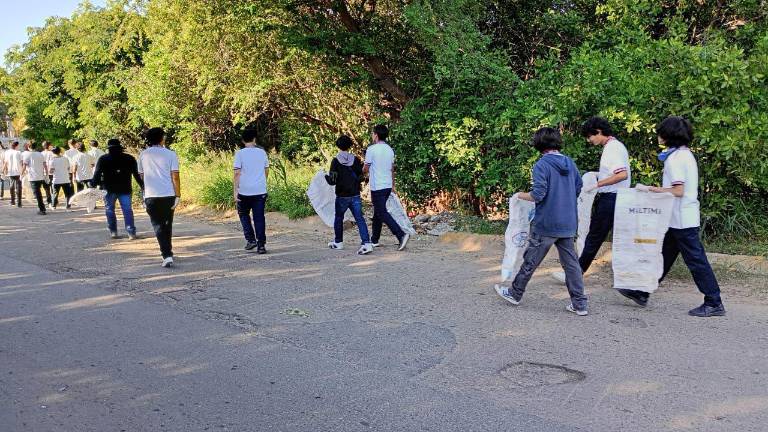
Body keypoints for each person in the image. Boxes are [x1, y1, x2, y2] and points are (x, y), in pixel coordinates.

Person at [618, 116, 725, 317]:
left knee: (696, 261)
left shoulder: (675, 159)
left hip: (682, 219)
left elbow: (678, 191)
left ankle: (713, 301)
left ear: (669, 135)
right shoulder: (684, 154)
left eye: (661, 133)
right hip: (677, 218)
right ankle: (642, 291)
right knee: (663, 256)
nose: (658, 136)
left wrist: (650, 189)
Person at [494, 127, 588, 316]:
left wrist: (519, 195)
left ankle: (515, 293)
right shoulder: (570, 163)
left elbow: (538, 194)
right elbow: (579, 187)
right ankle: (580, 304)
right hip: (568, 222)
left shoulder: (542, 165)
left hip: (546, 222)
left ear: (538, 144)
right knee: (571, 265)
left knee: (531, 259)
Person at [552, 117, 631, 283]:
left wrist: (597, 184)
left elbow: (622, 174)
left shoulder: (612, 148)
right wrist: (598, 176)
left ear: (599, 131)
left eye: (590, 136)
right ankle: (627, 277)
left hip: (612, 198)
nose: (589, 140)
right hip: (618, 197)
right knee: (612, 238)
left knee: (594, 238)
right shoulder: (615, 146)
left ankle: (574, 275)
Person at [138, 127, 180, 268]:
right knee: (167, 224)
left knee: (158, 225)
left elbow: (141, 176)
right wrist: (178, 194)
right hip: (168, 194)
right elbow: (175, 176)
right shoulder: (171, 154)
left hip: (151, 195)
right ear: (162, 138)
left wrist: (143, 194)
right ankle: (167, 252)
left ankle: (166, 254)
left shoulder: (143, 155)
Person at [363, 124, 409, 251]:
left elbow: (365, 169)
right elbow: (392, 169)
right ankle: (374, 240)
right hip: (387, 185)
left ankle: (401, 235)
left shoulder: (371, 149)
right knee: (378, 212)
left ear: (376, 135)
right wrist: (393, 185)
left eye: (373, 133)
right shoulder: (390, 150)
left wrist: (362, 170)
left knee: (381, 212)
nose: (372, 135)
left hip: (377, 186)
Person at [326, 135, 373, 255]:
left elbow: (332, 181)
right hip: (355, 194)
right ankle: (367, 243)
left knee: (338, 218)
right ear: (349, 146)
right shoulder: (355, 160)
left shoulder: (335, 161)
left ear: (338, 146)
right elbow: (361, 176)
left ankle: (338, 242)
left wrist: (325, 176)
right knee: (359, 219)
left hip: (342, 195)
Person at [93, 138, 144, 240]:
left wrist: (94, 185)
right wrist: (142, 186)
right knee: (127, 210)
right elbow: (136, 174)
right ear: (120, 147)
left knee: (109, 210)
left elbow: (97, 174)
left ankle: (113, 232)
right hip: (125, 188)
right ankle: (131, 233)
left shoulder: (103, 159)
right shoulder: (129, 158)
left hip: (108, 188)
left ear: (108, 148)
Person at [233, 129, 269, 254]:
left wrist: (235, 191)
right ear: (254, 139)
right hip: (260, 191)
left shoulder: (239, 154)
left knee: (243, 214)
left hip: (244, 190)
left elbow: (237, 173)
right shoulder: (262, 152)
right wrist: (261, 182)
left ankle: (251, 239)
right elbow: (266, 170)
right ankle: (261, 245)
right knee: (259, 218)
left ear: (243, 140)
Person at [21, 142, 48, 215]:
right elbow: (45, 165)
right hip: (41, 176)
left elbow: (24, 166)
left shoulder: (27, 155)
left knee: (37, 193)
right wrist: (46, 174)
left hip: (33, 177)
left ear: (28, 147)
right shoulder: (40, 154)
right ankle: (42, 208)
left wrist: (21, 174)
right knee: (38, 192)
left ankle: (42, 209)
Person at [2, 141, 23, 207]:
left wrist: (3, 170)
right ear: (16, 146)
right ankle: (19, 203)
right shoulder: (19, 152)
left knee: (11, 186)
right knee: (19, 187)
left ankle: (12, 201)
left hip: (11, 171)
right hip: (18, 171)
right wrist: (23, 171)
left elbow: (5, 162)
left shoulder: (7, 152)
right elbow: (21, 162)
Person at [41, 141, 55, 206]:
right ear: (49, 146)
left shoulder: (41, 153)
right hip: (51, 172)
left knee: (46, 187)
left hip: (43, 172)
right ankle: (53, 200)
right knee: (52, 187)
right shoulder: (52, 153)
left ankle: (49, 200)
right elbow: (52, 163)